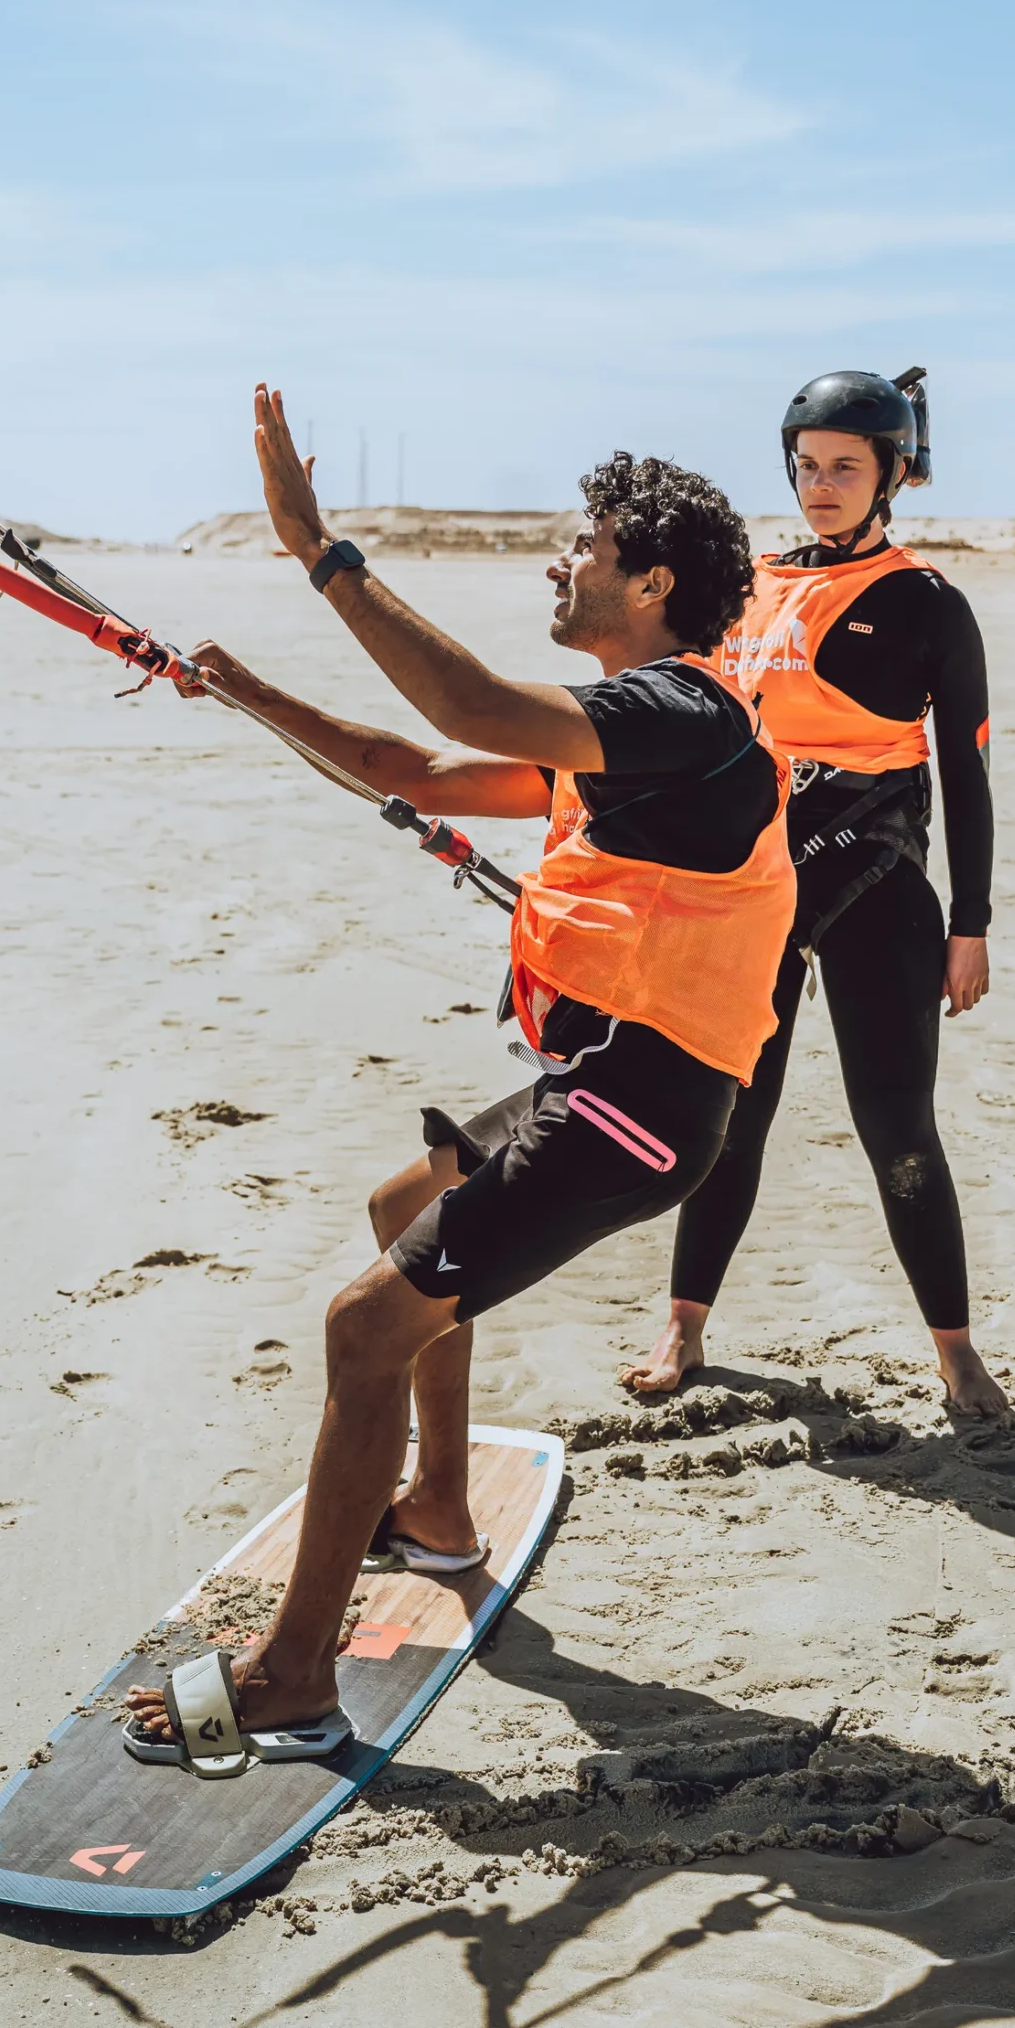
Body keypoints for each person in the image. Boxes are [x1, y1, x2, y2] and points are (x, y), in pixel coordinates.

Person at [124, 387, 795, 1770]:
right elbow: (417, 762)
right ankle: (433, 1505)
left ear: (648, 579)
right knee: (397, 1214)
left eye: (581, 546)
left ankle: (291, 1674)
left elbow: (460, 699)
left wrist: (318, 548)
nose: (558, 563)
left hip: (639, 1109)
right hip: (608, 1087)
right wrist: (240, 685)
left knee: (364, 1328)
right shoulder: (628, 742)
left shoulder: (681, 714)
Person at [619, 367, 1011, 1419]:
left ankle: (958, 1353)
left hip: (881, 888)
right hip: (753, 890)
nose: (821, 485)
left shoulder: (928, 604)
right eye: (806, 466)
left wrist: (970, 923)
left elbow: (965, 771)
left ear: (893, 471)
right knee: (730, 1118)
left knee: (897, 1126)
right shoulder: (750, 584)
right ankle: (684, 1323)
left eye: (845, 466)